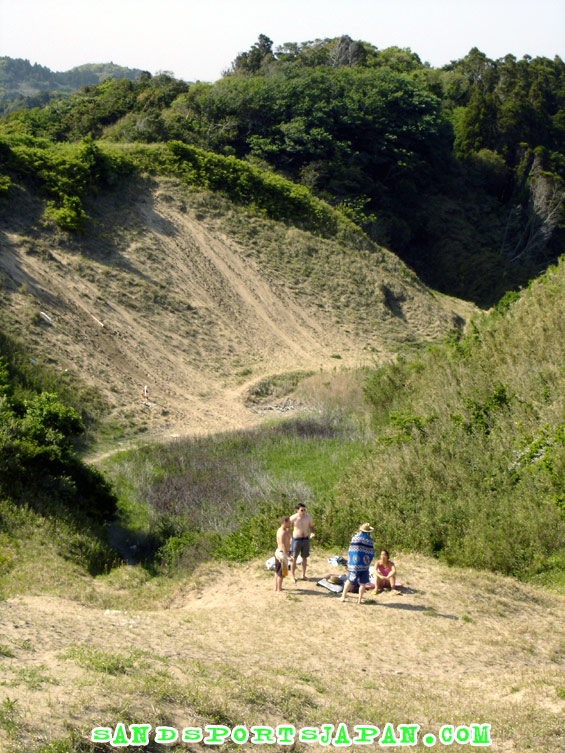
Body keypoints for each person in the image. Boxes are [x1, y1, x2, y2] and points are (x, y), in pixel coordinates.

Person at [340, 523, 375, 604]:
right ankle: (359, 600)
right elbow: (372, 553)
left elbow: (351, 550)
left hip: (355, 565)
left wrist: (349, 561)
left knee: (349, 580)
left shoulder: (355, 538)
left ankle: (343, 597)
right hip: (365, 565)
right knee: (363, 583)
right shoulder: (370, 541)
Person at [289, 503, 315, 582]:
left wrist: (312, 533)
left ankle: (303, 575)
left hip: (305, 539)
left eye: (304, 510)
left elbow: (311, 526)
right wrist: (290, 537)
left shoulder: (308, 517)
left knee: (304, 557)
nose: (303, 512)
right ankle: (292, 576)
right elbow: (286, 527)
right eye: (301, 510)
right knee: (294, 558)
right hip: (296, 539)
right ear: (298, 510)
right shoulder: (293, 518)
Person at [274, 517, 293, 593]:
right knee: (281, 573)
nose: (290, 524)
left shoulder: (285, 530)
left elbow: (290, 535)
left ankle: (277, 588)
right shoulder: (282, 532)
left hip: (280, 553)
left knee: (277, 571)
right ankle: (279, 590)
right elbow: (282, 545)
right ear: (284, 522)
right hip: (282, 554)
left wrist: (291, 538)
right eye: (289, 522)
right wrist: (288, 557)